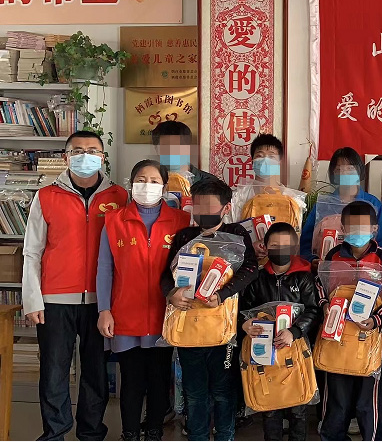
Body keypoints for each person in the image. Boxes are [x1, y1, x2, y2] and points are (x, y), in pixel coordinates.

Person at [21, 130, 129, 440]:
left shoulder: (119, 196)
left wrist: (116, 302)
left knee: (95, 371)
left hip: (101, 302)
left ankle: (91, 432)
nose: (85, 155)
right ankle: (55, 432)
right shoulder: (46, 196)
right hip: (55, 300)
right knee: (54, 371)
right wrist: (33, 299)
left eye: (92, 150)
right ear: (66, 157)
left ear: (102, 157)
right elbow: (32, 251)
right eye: (78, 150)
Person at [97, 160, 190, 441]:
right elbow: (104, 269)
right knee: (132, 379)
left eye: (153, 181)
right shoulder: (114, 221)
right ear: (131, 183)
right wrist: (104, 310)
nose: (146, 186)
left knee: (159, 378)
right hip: (125, 314)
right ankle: (129, 433)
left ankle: (154, 432)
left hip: (165, 313)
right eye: (140, 179)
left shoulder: (181, 221)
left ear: (164, 186)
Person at [160, 177, 260, 441]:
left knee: (223, 390)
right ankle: (198, 436)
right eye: (198, 205)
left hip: (223, 328)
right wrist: (171, 294)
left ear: (226, 208)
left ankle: (225, 435)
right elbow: (166, 275)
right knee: (194, 392)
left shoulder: (236, 234)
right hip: (187, 327)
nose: (202, 211)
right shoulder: (185, 236)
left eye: (209, 205)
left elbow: (251, 269)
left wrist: (223, 294)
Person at [319, 201, 382, 441]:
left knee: (368, 402)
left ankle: (372, 438)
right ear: (343, 228)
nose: (357, 232)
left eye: (363, 227)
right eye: (352, 227)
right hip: (337, 339)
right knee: (337, 399)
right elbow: (319, 285)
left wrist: (376, 319)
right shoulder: (332, 255)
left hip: (371, 343)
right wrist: (324, 305)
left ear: (374, 229)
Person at [239, 222, 319, 441]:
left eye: (285, 245)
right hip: (265, 350)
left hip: (295, 349)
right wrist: (244, 324)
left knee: (298, 405)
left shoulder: (304, 277)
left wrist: (295, 331)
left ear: (294, 247)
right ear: (265, 247)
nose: (280, 249)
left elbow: (313, 310)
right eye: (274, 245)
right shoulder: (257, 278)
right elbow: (243, 309)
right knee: (270, 405)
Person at [300, 146, 382, 258]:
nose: (344, 173)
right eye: (339, 170)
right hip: (326, 265)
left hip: (366, 266)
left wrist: (372, 261)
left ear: (359, 171)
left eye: (350, 169)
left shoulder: (373, 204)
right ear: (333, 174)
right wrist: (311, 259)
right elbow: (306, 241)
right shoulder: (323, 204)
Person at [152, 121, 215, 209]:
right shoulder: (149, 182)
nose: (172, 151)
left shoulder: (210, 182)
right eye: (166, 146)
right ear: (156, 149)